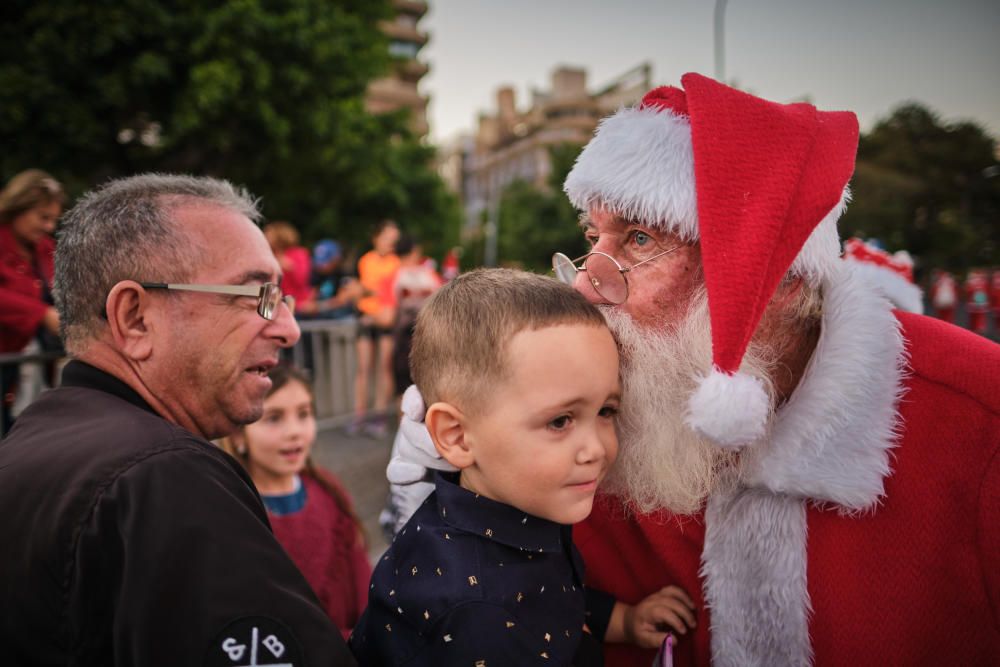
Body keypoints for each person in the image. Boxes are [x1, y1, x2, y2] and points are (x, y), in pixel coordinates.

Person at [388, 74, 1000, 665]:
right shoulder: (598, 414)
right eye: (592, 237)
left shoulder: (978, 417)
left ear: (776, 279)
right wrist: (464, 491)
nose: (584, 286)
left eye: (640, 241)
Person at [0, 174, 356, 665]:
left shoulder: (33, 438)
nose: (289, 329)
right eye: (255, 295)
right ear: (135, 318)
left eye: (281, 299)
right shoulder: (164, 476)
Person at [351, 268, 695, 666]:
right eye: (560, 421)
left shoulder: (518, 508)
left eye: (605, 411)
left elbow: (551, 596)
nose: (596, 449)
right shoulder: (477, 623)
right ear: (457, 436)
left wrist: (622, 621)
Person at [222, 365, 372, 640]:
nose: (294, 431)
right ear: (239, 436)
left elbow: (363, 586)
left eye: (304, 414)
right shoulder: (233, 515)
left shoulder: (329, 492)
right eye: (274, 418)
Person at [0, 169, 65, 431]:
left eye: (53, 219)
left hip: (30, 366)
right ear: (19, 207)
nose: (49, 226)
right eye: (43, 217)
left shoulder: (45, 248)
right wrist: (41, 314)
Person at [350, 219, 400, 438]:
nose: (391, 241)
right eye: (388, 237)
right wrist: (369, 295)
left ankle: (379, 417)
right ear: (377, 237)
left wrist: (370, 293)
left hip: (385, 320)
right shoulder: (365, 260)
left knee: (385, 368)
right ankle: (359, 416)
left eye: (393, 238)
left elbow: (385, 293)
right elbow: (360, 290)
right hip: (366, 317)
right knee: (363, 369)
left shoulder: (396, 262)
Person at [389, 232, 442, 396]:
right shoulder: (430, 275)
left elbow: (387, 315)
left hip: (403, 343)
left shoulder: (392, 276)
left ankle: (404, 422)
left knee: (405, 393)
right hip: (431, 341)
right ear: (415, 251)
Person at [300, 239, 361, 320]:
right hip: (321, 315)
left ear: (336, 259)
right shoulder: (316, 274)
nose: (321, 266)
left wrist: (319, 306)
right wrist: (307, 305)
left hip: (338, 315)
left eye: (326, 261)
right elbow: (312, 295)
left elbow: (342, 300)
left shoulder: (344, 275)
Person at [264, 220, 314, 315]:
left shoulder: (299, 254)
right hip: (272, 303)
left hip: (297, 304)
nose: (264, 236)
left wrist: (289, 267)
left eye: (268, 233)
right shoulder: (267, 255)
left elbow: (302, 280)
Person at [965, 267, 990, 335]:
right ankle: (980, 327)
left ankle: (974, 329)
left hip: (972, 302)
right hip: (981, 302)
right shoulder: (983, 281)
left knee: (973, 317)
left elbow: (968, 291)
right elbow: (987, 291)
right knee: (980, 316)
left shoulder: (970, 281)